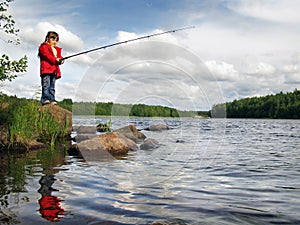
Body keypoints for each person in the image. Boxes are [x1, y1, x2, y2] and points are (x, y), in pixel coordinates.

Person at [38, 31, 64, 105]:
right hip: (46, 70)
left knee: (52, 87)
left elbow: (59, 57)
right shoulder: (43, 47)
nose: (55, 42)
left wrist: (61, 60)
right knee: (46, 85)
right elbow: (47, 56)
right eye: (53, 39)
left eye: (56, 40)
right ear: (47, 39)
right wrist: (56, 60)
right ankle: (45, 99)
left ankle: (52, 99)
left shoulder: (56, 49)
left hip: (54, 71)